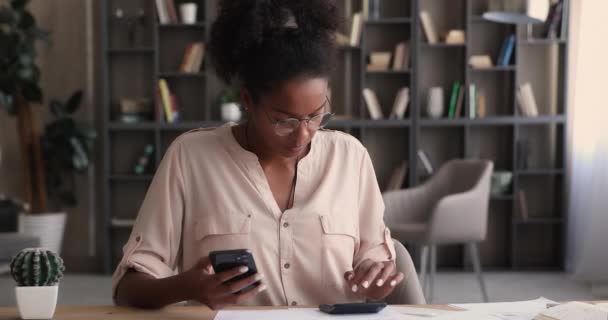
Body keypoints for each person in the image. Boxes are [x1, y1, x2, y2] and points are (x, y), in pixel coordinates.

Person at [113, 0, 407, 309]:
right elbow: (128, 288)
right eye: (284, 120)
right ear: (248, 101)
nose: (303, 133)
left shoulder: (350, 158)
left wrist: (376, 278)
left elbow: (375, 260)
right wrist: (187, 286)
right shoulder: (190, 159)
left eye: (317, 115)